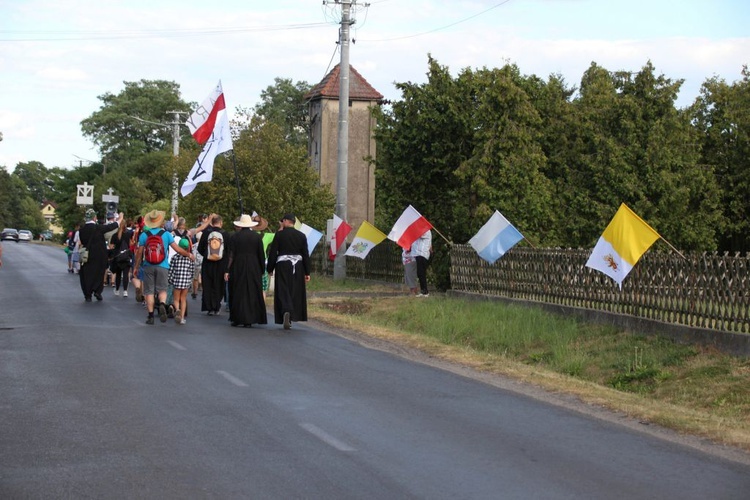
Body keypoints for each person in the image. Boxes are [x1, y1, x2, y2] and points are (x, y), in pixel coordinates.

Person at [133, 210, 195, 325]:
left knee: (149, 292)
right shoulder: (166, 234)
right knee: (162, 289)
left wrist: (136, 267)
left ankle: (150, 316)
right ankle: (162, 303)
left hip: (148, 266)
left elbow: (139, 253)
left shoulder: (144, 235)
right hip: (163, 265)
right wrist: (189, 255)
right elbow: (177, 249)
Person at [266, 213, 310, 330]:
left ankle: (286, 310)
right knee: (295, 290)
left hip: (282, 265)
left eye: (282, 221)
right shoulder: (301, 236)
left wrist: (270, 268)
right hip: (298, 266)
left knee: (283, 289)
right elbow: (305, 255)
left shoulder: (279, 235)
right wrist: (307, 272)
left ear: (286, 221)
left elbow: (273, 252)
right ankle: (291, 314)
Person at [224, 214, 267, 328]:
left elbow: (231, 255)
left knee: (238, 290)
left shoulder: (235, 237)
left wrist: (227, 270)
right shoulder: (257, 237)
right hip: (253, 266)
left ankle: (237, 318)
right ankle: (250, 318)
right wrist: (262, 269)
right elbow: (261, 255)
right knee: (251, 291)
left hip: (238, 265)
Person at [78, 209, 121, 302]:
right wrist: (119, 220)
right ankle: (97, 291)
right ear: (94, 217)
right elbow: (111, 227)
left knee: (86, 274)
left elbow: (82, 241)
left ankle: (87, 294)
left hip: (87, 254)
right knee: (99, 273)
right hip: (99, 254)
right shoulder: (99, 228)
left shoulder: (82, 230)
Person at [197, 214, 228, 316]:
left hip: (208, 263)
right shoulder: (225, 234)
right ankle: (216, 306)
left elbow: (200, 249)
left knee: (208, 284)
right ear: (221, 222)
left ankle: (209, 307)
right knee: (218, 284)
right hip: (221, 263)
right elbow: (228, 251)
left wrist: (207, 255)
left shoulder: (206, 233)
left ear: (212, 222)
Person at [168, 236, 194, 325]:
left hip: (177, 280)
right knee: (183, 299)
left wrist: (170, 280)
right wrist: (190, 281)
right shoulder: (190, 258)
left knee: (176, 299)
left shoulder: (175, 257)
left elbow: (171, 270)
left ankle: (177, 311)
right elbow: (192, 271)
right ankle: (182, 318)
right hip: (186, 281)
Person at [109, 217, 133, 297]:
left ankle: (117, 289)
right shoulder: (128, 234)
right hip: (126, 256)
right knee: (126, 274)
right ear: (125, 225)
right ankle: (125, 291)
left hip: (117, 256)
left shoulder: (115, 235)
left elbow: (111, 246)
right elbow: (131, 244)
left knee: (118, 274)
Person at [411, 229, 432, 297]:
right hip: (418, 254)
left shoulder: (426, 231)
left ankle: (425, 291)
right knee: (420, 273)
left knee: (421, 272)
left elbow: (419, 235)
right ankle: (423, 290)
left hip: (423, 254)